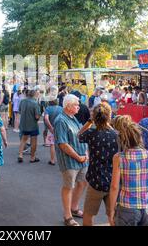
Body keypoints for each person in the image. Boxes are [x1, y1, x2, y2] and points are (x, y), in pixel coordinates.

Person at [109, 115, 148, 226]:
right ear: (139, 138)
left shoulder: (119, 158)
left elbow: (114, 187)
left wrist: (111, 210)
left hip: (127, 206)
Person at [78, 103, 119, 226]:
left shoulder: (91, 133)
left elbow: (79, 135)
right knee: (113, 216)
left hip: (95, 181)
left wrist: (90, 122)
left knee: (88, 215)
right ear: (109, 117)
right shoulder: (116, 135)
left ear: (94, 117)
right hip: (113, 182)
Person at [54, 94, 89, 226]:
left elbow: (79, 134)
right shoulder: (61, 121)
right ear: (68, 106)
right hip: (70, 161)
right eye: (76, 105)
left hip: (81, 158)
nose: (79, 107)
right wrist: (78, 156)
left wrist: (84, 152)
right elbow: (63, 144)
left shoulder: (72, 117)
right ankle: (67, 216)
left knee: (82, 182)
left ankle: (74, 208)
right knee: (69, 186)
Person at [17, 89, 41, 163]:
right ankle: (32, 157)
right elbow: (37, 116)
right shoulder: (35, 103)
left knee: (23, 139)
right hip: (33, 125)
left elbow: (19, 111)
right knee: (34, 141)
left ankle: (20, 155)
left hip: (24, 124)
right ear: (34, 95)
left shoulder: (22, 101)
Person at [44, 97, 63, 165]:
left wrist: (50, 127)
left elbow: (46, 118)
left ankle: (52, 160)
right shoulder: (61, 108)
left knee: (52, 144)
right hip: (60, 128)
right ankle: (62, 160)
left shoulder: (48, 108)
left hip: (52, 129)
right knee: (62, 144)